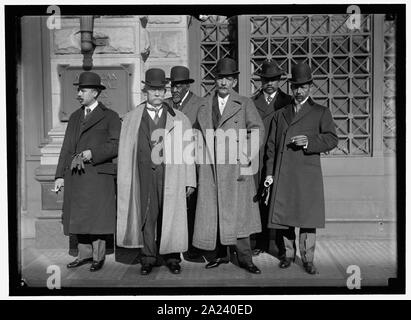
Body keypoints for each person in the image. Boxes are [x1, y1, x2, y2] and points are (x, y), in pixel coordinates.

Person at [116, 68, 196, 275]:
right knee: (147, 217)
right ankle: (148, 257)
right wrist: (124, 180)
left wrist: (190, 180)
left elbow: (188, 153)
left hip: (172, 175)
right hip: (142, 176)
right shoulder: (131, 119)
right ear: (146, 91)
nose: (158, 94)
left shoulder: (179, 118)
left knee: (171, 217)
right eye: (153, 89)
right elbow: (124, 152)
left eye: (161, 89)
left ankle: (172, 258)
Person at [263, 62, 338, 275]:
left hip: (307, 175)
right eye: (295, 87)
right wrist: (269, 174)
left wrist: (309, 141)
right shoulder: (281, 114)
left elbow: (332, 139)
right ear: (291, 88)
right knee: (286, 218)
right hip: (283, 173)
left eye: (303, 86)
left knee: (307, 219)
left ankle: (307, 258)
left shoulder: (320, 112)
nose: (299, 90)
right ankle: (288, 255)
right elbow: (271, 146)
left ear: (310, 87)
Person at [193, 57, 265, 274]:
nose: (223, 82)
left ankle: (245, 258)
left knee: (239, 215)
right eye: (220, 78)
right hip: (211, 169)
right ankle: (219, 255)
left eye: (228, 78)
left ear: (234, 81)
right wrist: (198, 160)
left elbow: (258, 130)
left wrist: (245, 156)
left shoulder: (244, 103)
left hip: (235, 169)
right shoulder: (204, 104)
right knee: (213, 213)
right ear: (215, 80)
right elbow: (197, 134)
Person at [54, 71, 121, 272]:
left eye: (82, 90)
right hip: (77, 176)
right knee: (80, 216)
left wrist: (94, 153)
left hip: (99, 176)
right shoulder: (75, 117)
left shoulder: (110, 116)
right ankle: (84, 255)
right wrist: (59, 175)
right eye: (79, 90)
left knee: (97, 218)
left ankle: (98, 257)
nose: (78, 94)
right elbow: (66, 147)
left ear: (94, 92)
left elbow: (117, 144)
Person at [251, 60, 293, 256]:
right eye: (266, 79)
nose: (269, 83)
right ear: (261, 80)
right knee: (258, 197)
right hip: (257, 156)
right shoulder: (251, 102)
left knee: (279, 199)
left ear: (280, 80)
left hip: (279, 156)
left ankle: (277, 243)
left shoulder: (288, 102)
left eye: (274, 79)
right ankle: (258, 241)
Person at [165, 66, 207, 262]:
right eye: (173, 85)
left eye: (179, 86)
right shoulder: (164, 104)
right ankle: (172, 248)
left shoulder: (200, 104)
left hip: (193, 165)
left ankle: (191, 248)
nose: (175, 90)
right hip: (169, 167)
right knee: (172, 208)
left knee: (192, 207)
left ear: (187, 86)